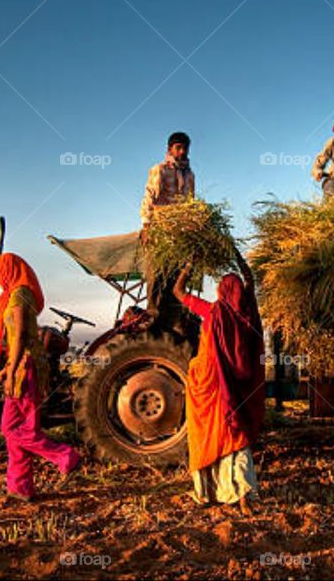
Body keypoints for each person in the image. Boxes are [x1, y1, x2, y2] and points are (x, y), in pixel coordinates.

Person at [173, 250, 266, 514]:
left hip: (210, 385)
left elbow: (178, 292)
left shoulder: (213, 311)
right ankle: (243, 493)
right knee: (236, 434)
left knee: (210, 434)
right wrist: (237, 256)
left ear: (221, 291)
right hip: (236, 389)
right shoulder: (248, 312)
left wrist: (189, 265)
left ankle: (208, 491)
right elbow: (250, 281)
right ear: (240, 292)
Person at [0, 253, 80, 502]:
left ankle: (65, 455)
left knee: (12, 428)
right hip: (21, 364)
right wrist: (8, 366)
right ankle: (20, 486)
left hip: (25, 369)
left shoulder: (19, 295)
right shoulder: (17, 294)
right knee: (17, 429)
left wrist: (11, 370)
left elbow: (19, 336)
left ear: (9, 270)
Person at [139, 131, 195, 330]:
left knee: (177, 274)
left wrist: (191, 228)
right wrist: (147, 225)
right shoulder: (160, 170)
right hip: (160, 230)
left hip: (179, 234)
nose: (182, 152)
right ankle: (153, 316)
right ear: (169, 149)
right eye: (178, 148)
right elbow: (149, 197)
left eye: (185, 148)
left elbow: (191, 204)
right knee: (157, 273)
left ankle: (174, 320)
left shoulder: (190, 175)